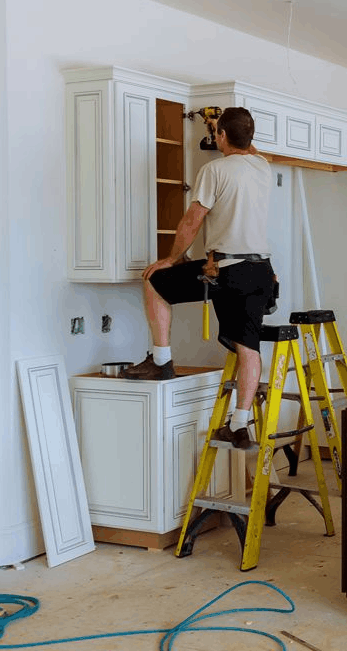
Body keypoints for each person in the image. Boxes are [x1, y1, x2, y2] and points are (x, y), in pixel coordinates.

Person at [123, 107, 273, 448]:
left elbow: (193, 220)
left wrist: (172, 259)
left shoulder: (214, 170)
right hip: (260, 271)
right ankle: (238, 424)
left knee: (154, 281)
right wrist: (223, 127)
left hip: (226, 269)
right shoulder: (262, 166)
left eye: (218, 133)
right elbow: (245, 144)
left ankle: (161, 362)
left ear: (220, 136)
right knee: (249, 346)